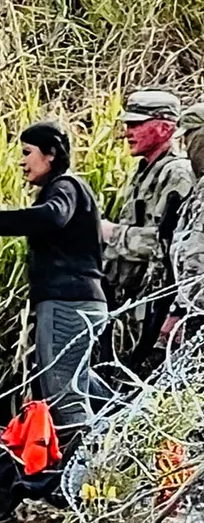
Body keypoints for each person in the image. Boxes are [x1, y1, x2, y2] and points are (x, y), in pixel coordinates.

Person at [0, 122, 105, 432]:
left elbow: (50, 216)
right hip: (85, 301)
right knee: (87, 386)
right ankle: (136, 429)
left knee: (65, 396)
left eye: (27, 152)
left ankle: (86, 472)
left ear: (50, 155)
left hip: (66, 305)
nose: (21, 161)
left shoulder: (64, 187)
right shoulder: (69, 188)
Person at [102, 90, 194, 366]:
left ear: (165, 128)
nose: (127, 132)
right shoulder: (144, 170)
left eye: (136, 124)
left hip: (157, 304)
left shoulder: (176, 173)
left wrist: (111, 233)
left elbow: (171, 244)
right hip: (133, 304)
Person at [165, 104, 204, 346]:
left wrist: (179, 311)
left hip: (197, 310)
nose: (186, 148)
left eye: (189, 137)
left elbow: (197, 256)